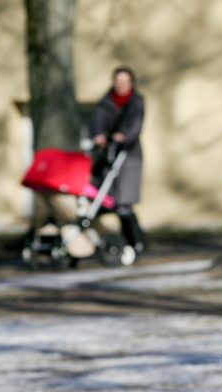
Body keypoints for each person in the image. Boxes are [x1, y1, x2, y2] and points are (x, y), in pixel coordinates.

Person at [90, 66, 146, 255]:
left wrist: (125, 136)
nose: (121, 85)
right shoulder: (105, 102)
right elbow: (97, 122)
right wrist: (98, 136)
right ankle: (110, 240)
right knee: (105, 199)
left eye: (125, 81)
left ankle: (135, 241)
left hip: (128, 157)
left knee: (124, 203)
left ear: (131, 83)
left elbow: (135, 125)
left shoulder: (136, 102)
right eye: (118, 81)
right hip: (108, 156)